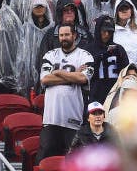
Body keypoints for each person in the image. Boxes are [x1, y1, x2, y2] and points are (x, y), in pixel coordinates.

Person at [37, 23, 94, 160]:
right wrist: (72, 76)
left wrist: (58, 72)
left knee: (72, 160)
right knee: (46, 160)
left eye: (67, 34)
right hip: (51, 119)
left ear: (74, 35)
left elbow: (82, 78)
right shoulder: (50, 55)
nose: (64, 38)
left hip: (73, 119)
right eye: (61, 35)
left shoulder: (85, 55)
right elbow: (45, 79)